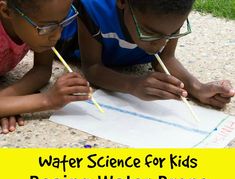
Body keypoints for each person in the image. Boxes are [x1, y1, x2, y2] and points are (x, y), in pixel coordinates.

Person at [57, 0, 234, 109]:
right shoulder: (93, 10)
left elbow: (166, 59)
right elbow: (92, 68)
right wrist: (132, 84)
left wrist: (197, 87)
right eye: (149, 33)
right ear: (122, 2)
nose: (161, 43)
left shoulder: (170, 16)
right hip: (71, 44)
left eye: (171, 34)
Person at [0, 0, 92, 134]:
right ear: (6, 11)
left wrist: (9, 103)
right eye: (47, 27)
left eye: (64, 22)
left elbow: (42, 68)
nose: (57, 35)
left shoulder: (41, 21)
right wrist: (47, 100)